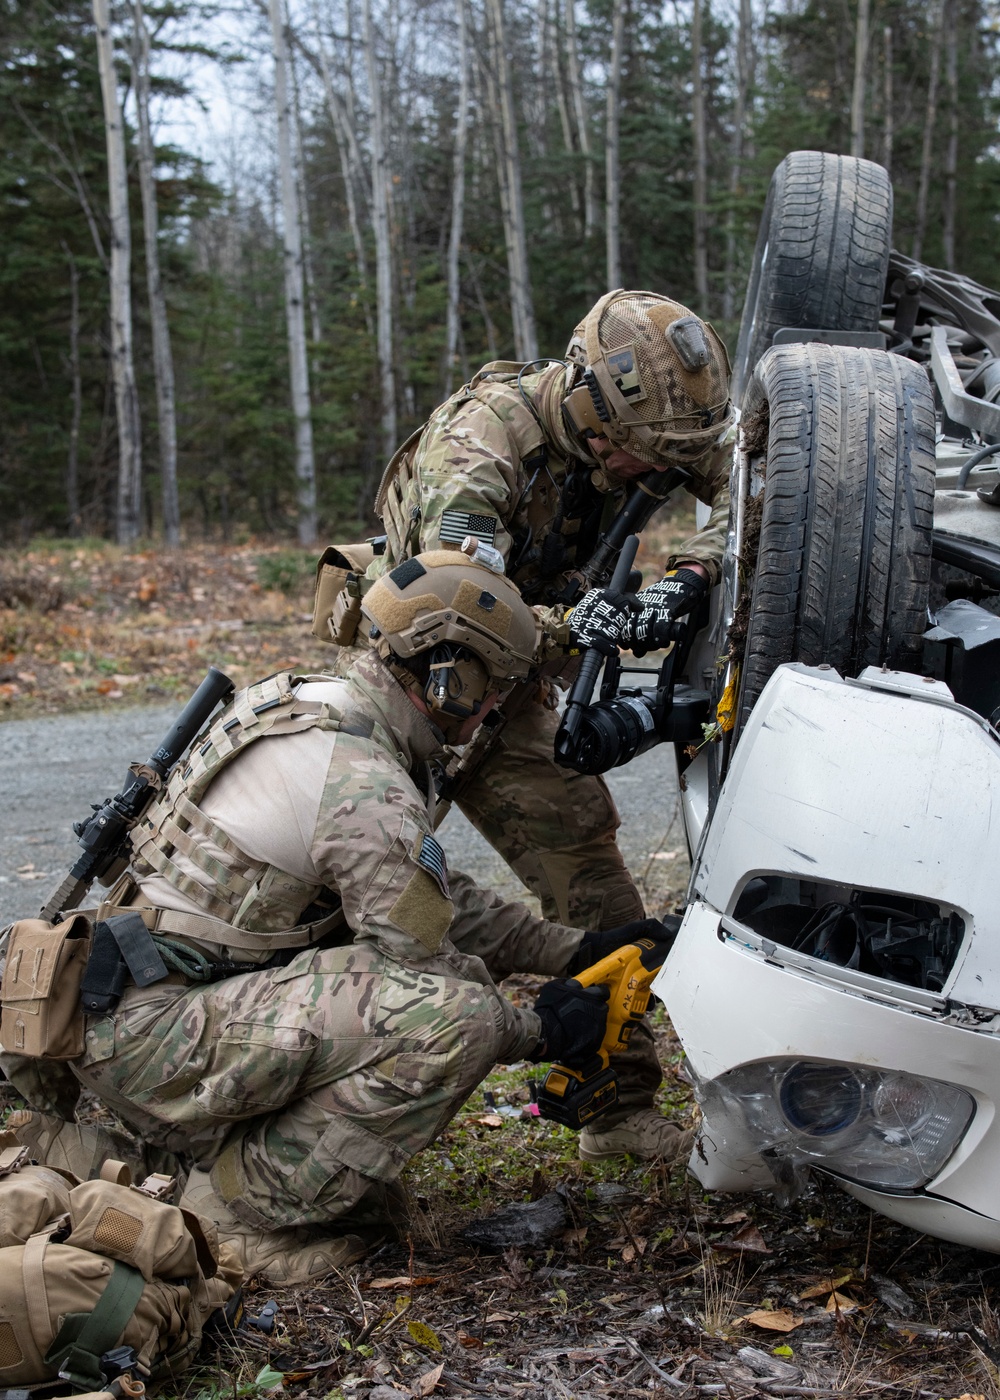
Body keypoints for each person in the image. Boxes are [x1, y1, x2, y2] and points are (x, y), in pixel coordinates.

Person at [2, 552, 686, 1287]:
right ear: (452, 677)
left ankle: (192, 1164)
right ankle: (229, 1217)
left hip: (137, 1009)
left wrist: (580, 948)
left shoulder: (315, 704)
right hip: (155, 1035)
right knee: (457, 1019)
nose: (501, 710)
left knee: (372, 1181)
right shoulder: (362, 782)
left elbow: (429, 899)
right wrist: (547, 1030)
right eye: (502, 686)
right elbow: (420, 969)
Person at [361, 288, 733, 1161]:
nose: (650, 477)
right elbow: (459, 608)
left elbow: (752, 499)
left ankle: (616, 1108)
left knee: (596, 884)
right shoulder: (478, 449)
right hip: (412, 695)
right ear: (589, 416)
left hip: (509, 698)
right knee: (372, 904)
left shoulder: (645, 426)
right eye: (638, 461)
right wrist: (585, 626)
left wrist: (692, 574)